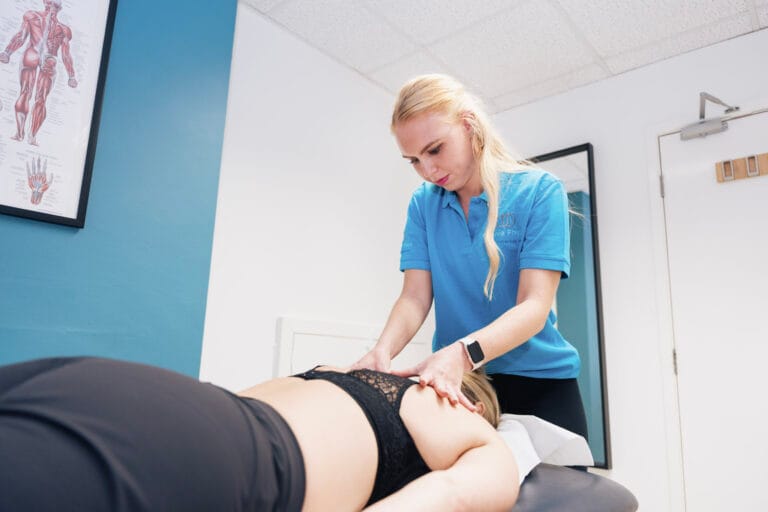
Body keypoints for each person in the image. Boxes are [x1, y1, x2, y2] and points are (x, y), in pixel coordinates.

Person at [352, 74, 588, 440]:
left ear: (469, 126)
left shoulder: (539, 192)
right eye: (413, 160)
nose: (428, 170)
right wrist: (381, 353)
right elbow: (415, 297)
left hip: (539, 383)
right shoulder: (423, 204)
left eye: (435, 150)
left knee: (555, 496)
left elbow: (534, 306)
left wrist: (462, 354)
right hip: (461, 384)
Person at [0, 356, 519, 512]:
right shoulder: (452, 410)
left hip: (129, 387)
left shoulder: (331, 374)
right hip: (220, 457)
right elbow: (451, 495)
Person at [0, 0, 77, 146]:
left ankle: (24, 134)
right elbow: (65, 56)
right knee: (34, 97)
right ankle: (27, 135)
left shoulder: (36, 18)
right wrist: (71, 76)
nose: (51, 8)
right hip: (43, 58)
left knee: (30, 95)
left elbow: (21, 37)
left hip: (38, 57)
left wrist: (7, 52)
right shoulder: (59, 27)